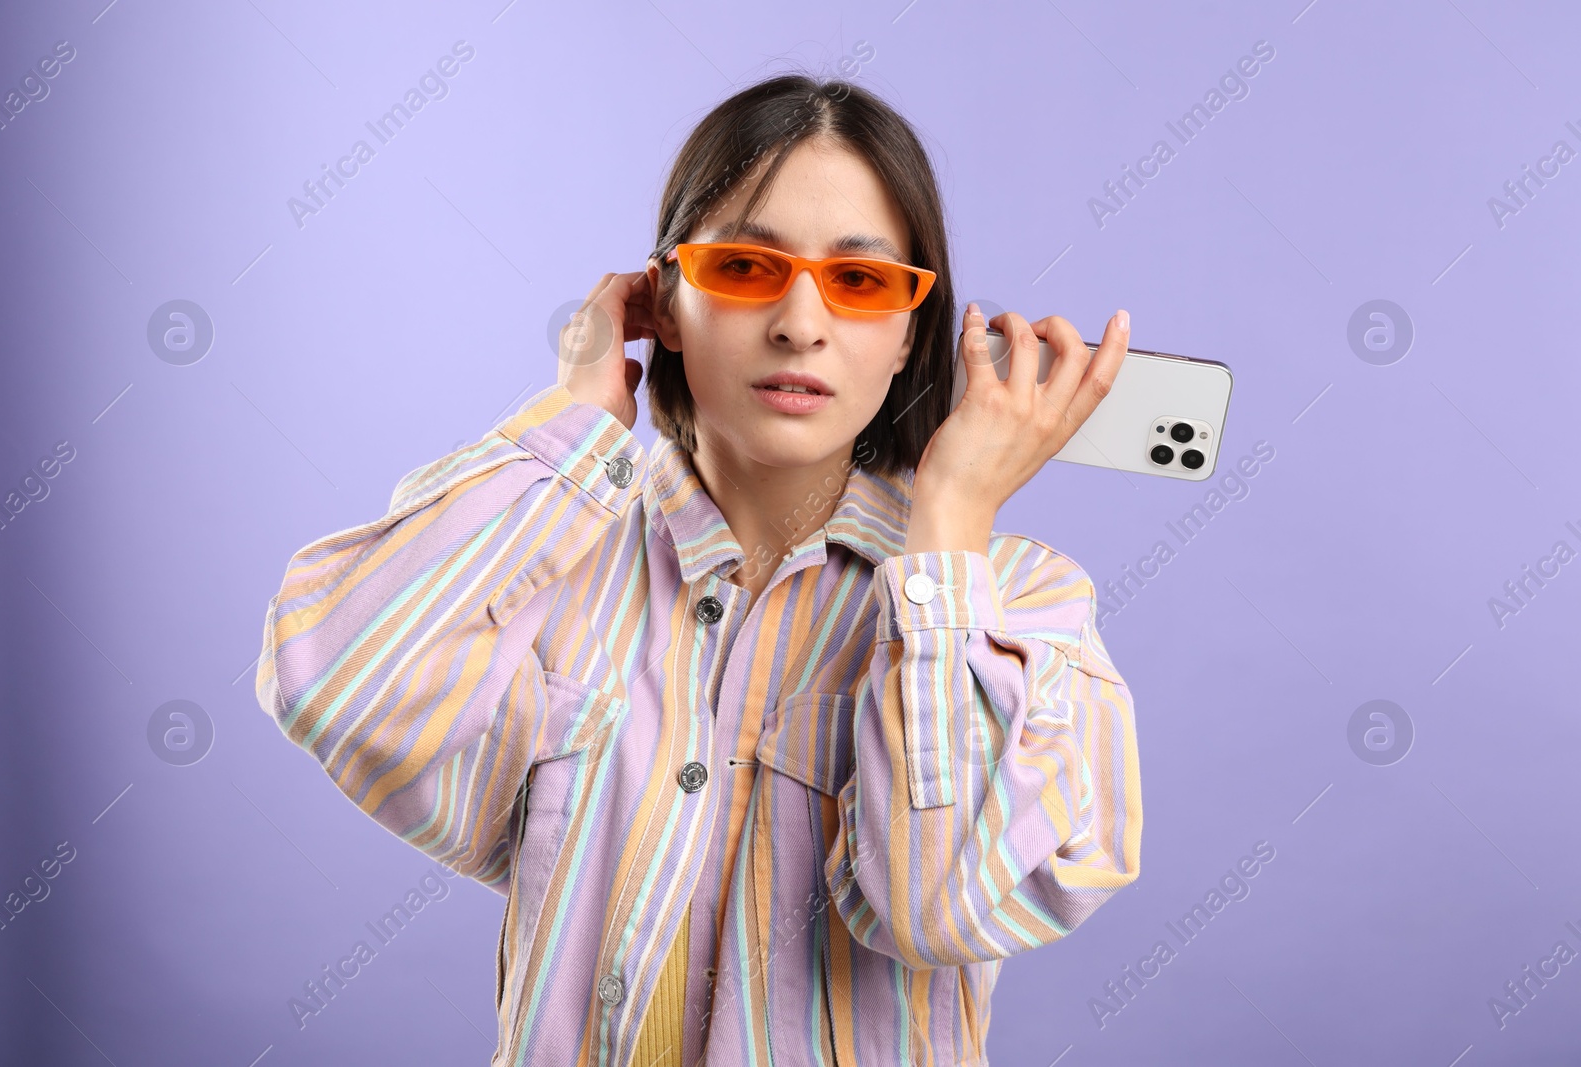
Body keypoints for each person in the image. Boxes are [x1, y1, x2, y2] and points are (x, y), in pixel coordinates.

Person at [256, 70, 1142, 1067]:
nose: (800, 324)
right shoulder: (556, 552)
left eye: (859, 282)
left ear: (908, 336)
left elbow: (941, 906)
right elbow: (334, 679)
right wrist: (579, 426)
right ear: (665, 304)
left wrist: (950, 525)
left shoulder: (1020, 607)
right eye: (746, 267)